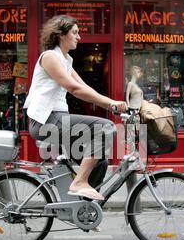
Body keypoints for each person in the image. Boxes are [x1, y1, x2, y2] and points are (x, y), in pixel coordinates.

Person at [24, 15, 127, 201]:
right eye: (75, 32)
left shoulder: (66, 60)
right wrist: (111, 104)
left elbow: (85, 87)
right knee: (106, 127)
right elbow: (74, 89)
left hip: (58, 119)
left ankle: (84, 209)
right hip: (46, 120)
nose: (79, 37)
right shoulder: (49, 57)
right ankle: (79, 182)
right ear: (61, 35)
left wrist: (113, 103)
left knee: (100, 163)